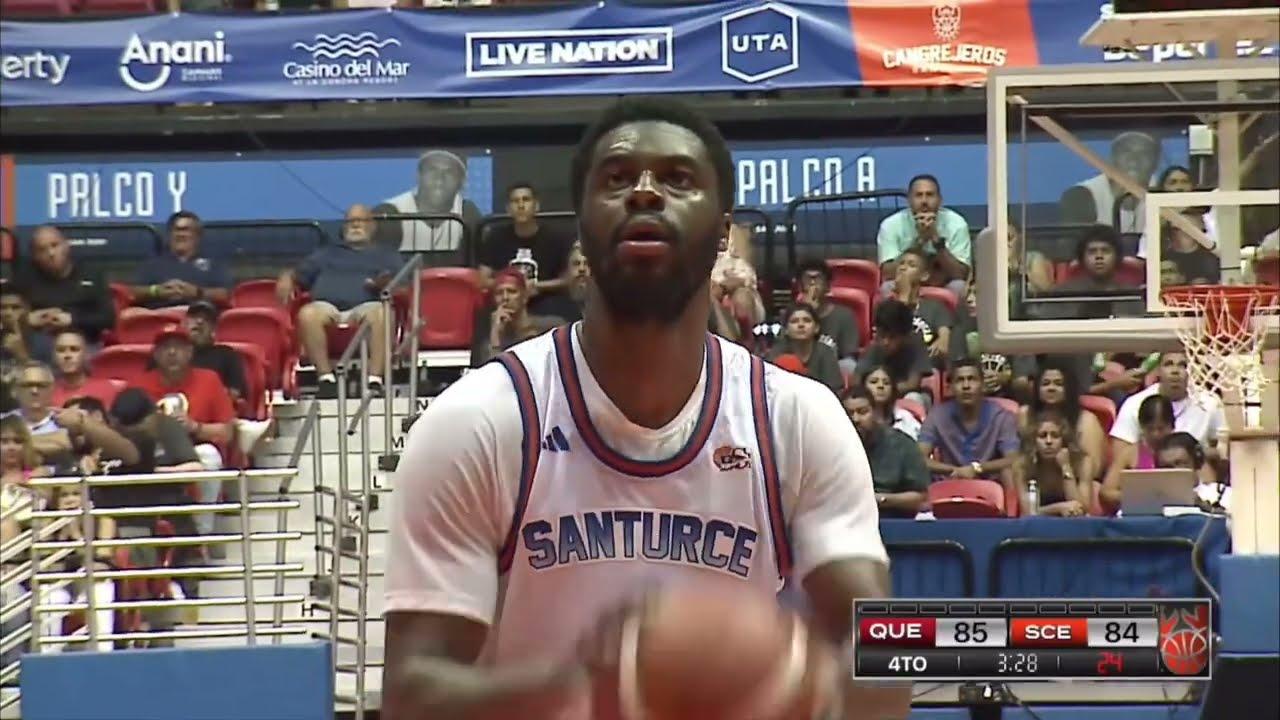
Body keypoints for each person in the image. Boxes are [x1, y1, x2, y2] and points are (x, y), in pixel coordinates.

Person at [383, 97, 907, 720]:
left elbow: (887, 645)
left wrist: (804, 682)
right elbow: (411, 693)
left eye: (679, 179)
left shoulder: (796, 418)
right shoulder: (480, 420)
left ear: (724, 232)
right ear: (582, 228)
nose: (645, 192)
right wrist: (594, 685)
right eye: (617, 178)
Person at [277, 204, 401, 397]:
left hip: (367, 306)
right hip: (328, 307)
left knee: (382, 314)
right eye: (351, 221)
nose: (355, 225)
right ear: (343, 227)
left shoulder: (386, 255)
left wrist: (384, 285)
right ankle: (326, 379)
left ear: (373, 226)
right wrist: (287, 277)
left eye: (361, 221)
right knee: (307, 314)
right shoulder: (327, 253)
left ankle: (374, 380)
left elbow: (402, 285)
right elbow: (297, 274)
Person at [918, 359, 1022, 488]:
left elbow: (1013, 459)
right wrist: (954, 470)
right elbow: (919, 458)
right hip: (948, 483)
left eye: (972, 379)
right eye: (959, 380)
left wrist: (977, 468)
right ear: (950, 388)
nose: (966, 386)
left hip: (989, 486)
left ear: (982, 385)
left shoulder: (1001, 417)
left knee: (1011, 472)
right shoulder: (936, 415)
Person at [9, 225, 115, 345]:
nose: (51, 253)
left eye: (55, 245)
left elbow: (108, 318)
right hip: (39, 342)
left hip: (83, 341)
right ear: (35, 256)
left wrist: (72, 319)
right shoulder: (24, 278)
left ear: (66, 245)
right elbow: (7, 314)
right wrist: (27, 319)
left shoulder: (91, 274)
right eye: (42, 250)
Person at [479, 183, 575, 308]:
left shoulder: (557, 237)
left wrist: (537, 286)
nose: (521, 205)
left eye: (526, 200)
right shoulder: (495, 237)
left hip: (545, 300)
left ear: (536, 206)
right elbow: (483, 279)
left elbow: (568, 279)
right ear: (508, 209)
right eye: (515, 201)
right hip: (506, 300)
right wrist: (511, 285)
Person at [876, 174, 971, 299]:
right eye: (919, 195)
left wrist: (936, 240)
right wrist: (920, 241)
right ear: (909, 200)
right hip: (906, 282)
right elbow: (888, 273)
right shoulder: (890, 224)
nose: (924, 201)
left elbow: (960, 274)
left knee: (959, 286)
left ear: (940, 200)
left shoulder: (957, 223)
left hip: (943, 283)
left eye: (930, 195)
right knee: (887, 287)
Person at [842, 385, 928, 519]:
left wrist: (880, 500)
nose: (855, 419)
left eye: (862, 412)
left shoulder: (902, 444)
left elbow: (920, 498)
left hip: (892, 520)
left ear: (875, 413)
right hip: (844, 520)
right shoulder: (831, 446)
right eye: (849, 414)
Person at [377, 149, 483, 256]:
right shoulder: (390, 211)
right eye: (432, 170)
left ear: (462, 182)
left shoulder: (467, 212)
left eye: (449, 172)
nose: (439, 179)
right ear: (418, 176)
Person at [1020, 363, 1106, 483]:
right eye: (1045, 383)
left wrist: (1065, 468)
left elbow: (1095, 469)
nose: (1051, 388)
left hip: (1076, 482)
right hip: (1036, 481)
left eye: (1058, 384)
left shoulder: (1086, 420)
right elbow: (1022, 458)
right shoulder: (1025, 414)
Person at [1058, 131, 1160, 232]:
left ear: (1156, 163)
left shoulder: (1163, 192)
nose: (1134, 159)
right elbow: (1073, 240)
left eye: (1145, 153)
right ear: (1112, 159)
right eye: (1126, 151)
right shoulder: (1081, 195)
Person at [131, 211, 234, 309]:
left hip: (200, 315)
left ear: (197, 235)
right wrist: (157, 291)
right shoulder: (153, 262)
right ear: (169, 234)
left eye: (186, 230)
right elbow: (133, 293)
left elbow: (225, 295)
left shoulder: (213, 263)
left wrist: (197, 292)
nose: (181, 234)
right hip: (161, 315)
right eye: (176, 230)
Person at [471, 269, 563, 366]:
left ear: (525, 297)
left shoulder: (551, 327)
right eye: (499, 293)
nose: (505, 297)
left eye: (512, 291)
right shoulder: (491, 338)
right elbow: (490, 372)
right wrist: (495, 338)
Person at [1099, 393, 1176, 510]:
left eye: (1161, 428)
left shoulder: (1183, 450)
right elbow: (1106, 492)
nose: (1156, 434)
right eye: (1150, 429)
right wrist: (1137, 498)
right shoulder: (1129, 454)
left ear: (1171, 426)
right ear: (1141, 426)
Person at [855, 299, 933, 407]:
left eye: (892, 337)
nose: (885, 342)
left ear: (905, 336)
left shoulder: (916, 344)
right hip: (878, 394)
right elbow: (856, 381)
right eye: (882, 335)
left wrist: (884, 389)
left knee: (914, 398)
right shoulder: (875, 346)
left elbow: (912, 384)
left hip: (906, 394)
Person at [793, 260, 860, 375]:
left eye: (817, 279)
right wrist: (809, 313)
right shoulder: (791, 315)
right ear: (800, 287)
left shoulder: (845, 315)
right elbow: (784, 350)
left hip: (834, 370)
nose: (813, 284)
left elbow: (849, 357)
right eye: (808, 279)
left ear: (828, 286)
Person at [1017, 416, 1089, 517]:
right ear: (1033, 441)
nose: (1049, 441)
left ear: (1064, 440)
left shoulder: (1081, 462)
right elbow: (1028, 512)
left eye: (1055, 436)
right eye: (1042, 436)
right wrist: (1059, 508)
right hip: (1038, 524)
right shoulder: (1023, 466)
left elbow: (1081, 508)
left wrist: (1065, 467)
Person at [766, 303, 843, 393]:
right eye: (794, 321)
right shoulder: (777, 353)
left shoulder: (825, 352)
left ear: (816, 328)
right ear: (786, 329)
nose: (801, 325)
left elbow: (834, 389)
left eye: (807, 321)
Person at [50, 329, 125, 408]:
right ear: (54, 356)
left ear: (86, 354)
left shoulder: (107, 389)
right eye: (61, 350)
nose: (67, 355)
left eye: (74, 349)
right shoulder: (47, 393)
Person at [859, 365, 921, 440]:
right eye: (874, 382)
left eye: (886, 383)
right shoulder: (856, 418)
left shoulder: (904, 417)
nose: (881, 386)